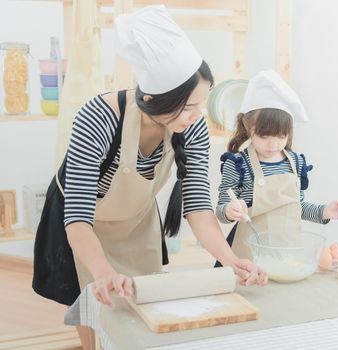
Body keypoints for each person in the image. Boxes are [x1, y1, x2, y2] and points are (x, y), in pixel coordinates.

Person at [32, 6, 267, 349]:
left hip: (136, 224)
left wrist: (232, 262)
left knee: (139, 322)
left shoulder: (193, 126)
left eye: (201, 104)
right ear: (153, 99)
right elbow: (78, 218)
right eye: (188, 107)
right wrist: (103, 271)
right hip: (82, 229)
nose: (196, 116)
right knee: (98, 323)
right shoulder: (98, 118)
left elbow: (199, 207)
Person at [215, 70, 338, 262]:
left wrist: (325, 212)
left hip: (287, 254)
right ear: (247, 127)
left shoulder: (296, 162)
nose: (274, 144)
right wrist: (229, 210)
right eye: (264, 136)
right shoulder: (238, 164)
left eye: (281, 136)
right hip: (249, 256)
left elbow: (298, 207)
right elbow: (221, 210)